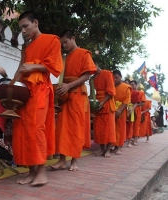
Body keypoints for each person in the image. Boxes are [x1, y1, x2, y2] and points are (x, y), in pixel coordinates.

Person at [12, 11, 63, 186]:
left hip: (41, 89)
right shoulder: (26, 46)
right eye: (21, 29)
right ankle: (31, 171)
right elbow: (21, 67)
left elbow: (54, 66)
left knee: (36, 128)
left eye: (25, 26)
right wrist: (11, 88)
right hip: (25, 92)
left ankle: (41, 171)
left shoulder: (51, 40)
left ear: (35, 22)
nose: (23, 31)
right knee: (22, 131)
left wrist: (32, 67)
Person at [51, 30, 96, 171]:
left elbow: (88, 74)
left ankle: (74, 161)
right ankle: (62, 160)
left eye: (66, 42)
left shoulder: (84, 53)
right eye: (62, 43)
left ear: (73, 38)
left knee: (76, 127)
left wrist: (69, 85)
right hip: (65, 95)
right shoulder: (64, 58)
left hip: (77, 94)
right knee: (62, 127)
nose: (64, 45)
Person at [92, 62, 116, 158]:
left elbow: (110, 91)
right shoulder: (93, 78)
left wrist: (103, 102)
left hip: (107, 103)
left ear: (97, 64)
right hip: (97, 104)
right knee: (99, 129)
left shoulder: (107, 73)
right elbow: (93, 92)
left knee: (109, 129)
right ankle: (102, 149)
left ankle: (107, 150)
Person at [112, 70, 131, 155]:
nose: (115, 79)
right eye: (114, 78)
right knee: (114, 128)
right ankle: (115, 146)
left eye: (117, 77)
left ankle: (119, 147)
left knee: (121, 128)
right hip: (112, 109)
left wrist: (120, 110)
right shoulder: (112, 86)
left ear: (121, 77)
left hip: (121, 110)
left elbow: (126, 100)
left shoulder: (126, 87)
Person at [130, 80, 145, 145]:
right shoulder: (129, 92)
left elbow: (143, 103)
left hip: (137, 110)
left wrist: (136, 104)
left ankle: (135, 140)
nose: (132, 86)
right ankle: (129, 139)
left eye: (133, 85)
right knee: (130, 125)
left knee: (136, 125)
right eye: (131, 85)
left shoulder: (141, 93)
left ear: (136, 85)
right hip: (130, 109)